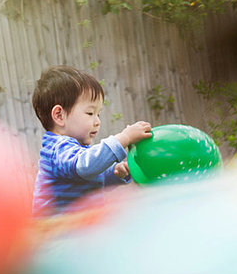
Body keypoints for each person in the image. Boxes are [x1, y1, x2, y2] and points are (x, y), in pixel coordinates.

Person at [32, 65, 152, 216]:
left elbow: (86, 178)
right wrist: (125, 137)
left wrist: (114, 173)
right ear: (59, 116)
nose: (98, 121)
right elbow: (86, 167)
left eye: (98, 114)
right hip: (58, 234)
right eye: (90, 113)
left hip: (76, 230)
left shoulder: (75, 149)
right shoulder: (58, 148)